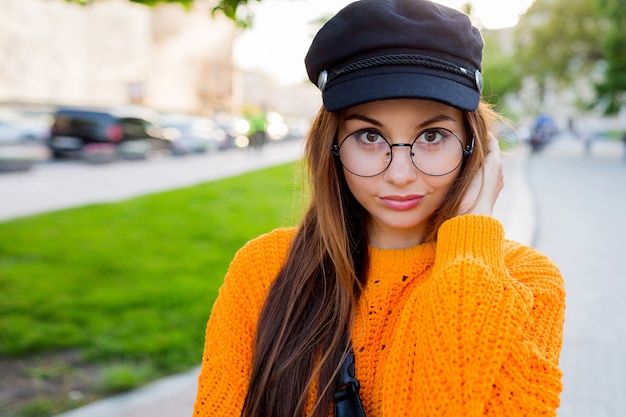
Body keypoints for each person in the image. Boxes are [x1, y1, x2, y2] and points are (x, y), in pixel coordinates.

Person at [193, 1, 565, 416]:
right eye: (370, 136)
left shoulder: (527, 283)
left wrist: (470, 246)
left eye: (432, 136)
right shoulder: (263, 272)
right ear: (333, 146)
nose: (401, 173)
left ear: (473, 147)